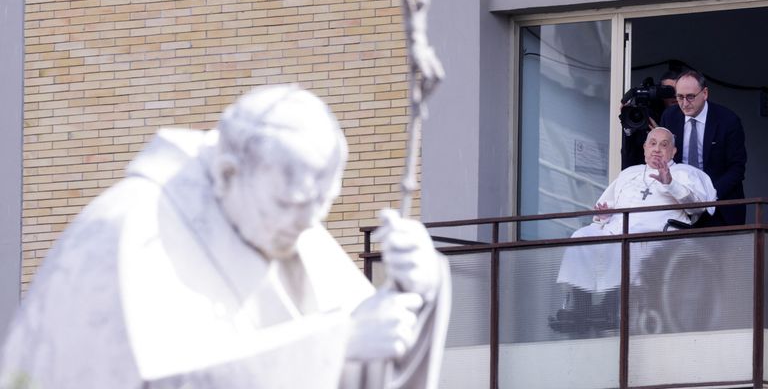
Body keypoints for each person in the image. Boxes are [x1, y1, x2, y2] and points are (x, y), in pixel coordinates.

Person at [0, 85, 451, 389]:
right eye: (291, 205)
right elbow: (139, 378)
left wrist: (417, 289)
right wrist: (337, 343)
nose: (306, 226)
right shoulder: (123, 232)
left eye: (321, 206)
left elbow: (369, 349)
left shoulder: (289, 226)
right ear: (226, 173)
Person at [551, 127, 716, 334]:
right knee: (581, 237)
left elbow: (699, 207)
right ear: (645, 148)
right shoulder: (629, 173)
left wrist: (670, 183)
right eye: (652, 144)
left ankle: (609, 308)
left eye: (664, 145)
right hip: (614, 230)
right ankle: (579, 308)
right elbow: (603, 207)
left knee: (625, 245)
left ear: (673, 151)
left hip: (655, 237)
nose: (657, 149)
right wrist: (603, 215)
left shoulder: (685, 173)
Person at [660, 70, 747, 226]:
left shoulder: (728, 120)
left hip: (720, 204)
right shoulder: (669, 117)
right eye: (679, 97)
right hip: (681, 205)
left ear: (705, 93)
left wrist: (707, 196)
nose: (684, 103)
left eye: (690, 97)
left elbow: (737, 168)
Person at [620, 70, 679, 169]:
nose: (673, 96)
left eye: (677, 91)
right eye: (667, 91)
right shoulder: (648, 114)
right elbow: (628, 159)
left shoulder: (686, 118)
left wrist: (661, 132)